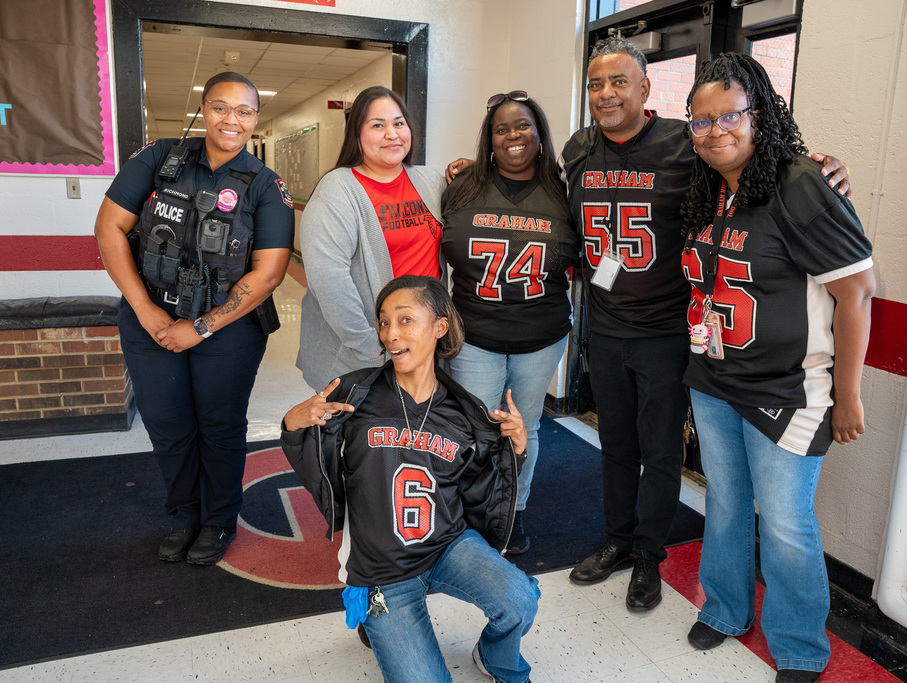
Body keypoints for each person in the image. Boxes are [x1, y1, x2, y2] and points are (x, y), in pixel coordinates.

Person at [558, 36, 851, 613]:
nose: (608, 92)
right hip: (607, 322)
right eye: (596, 83)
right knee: (613, 443)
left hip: (671, 332)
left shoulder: (684, 143)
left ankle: (649, 552)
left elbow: (749, 161)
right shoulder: (577, 149)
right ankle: (618, 539)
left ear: (647, 88)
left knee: (661, 449)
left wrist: (818, 162)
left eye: (621, 81)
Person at [678, 54, 874, 683]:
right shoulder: (707, 187)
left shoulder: (800, 183)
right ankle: (728, 608)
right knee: (728, 504)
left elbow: (858, 292)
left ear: (759, 115)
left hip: (793, 390)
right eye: (700, 121)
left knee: (787, 522)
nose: (714, 131)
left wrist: (849, 395)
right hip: (714, 381)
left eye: (729, 115)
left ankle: (799, 646)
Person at [281, 275, 540, 683]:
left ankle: (497, 659)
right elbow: (319, 465)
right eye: (384, 322)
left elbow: (481, 488)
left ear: (439, 327)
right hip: (384, 568)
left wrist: (515, 450)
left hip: (447, 545)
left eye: (405, 320)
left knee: (519, 598)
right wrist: (293, 425)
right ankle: (377, 620)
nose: (390, 334)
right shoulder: (354, 394)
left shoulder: (464, 411)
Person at [94, 72, 295, 564]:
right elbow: (109, 228)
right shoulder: (159, 158)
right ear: (203, 109)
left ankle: (219, 520)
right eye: (221, 108)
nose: (232, 120)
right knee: (167, 423)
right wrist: (144, 310)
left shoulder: (266, 185)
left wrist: (200, 327)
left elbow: (268, 274)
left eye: (245, 111)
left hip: (228, 330)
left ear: (255, 118)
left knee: (220, 426)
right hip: (150, 319)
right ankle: (185, 514)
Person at [441, 91, 579, 554]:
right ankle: (477, 511)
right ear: (489, 139)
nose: (513, 136)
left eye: (523, 126)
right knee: (478, 426)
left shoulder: (563, 191)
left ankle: (513, 511)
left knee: (525, 426)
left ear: (539, 135)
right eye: (502, 129)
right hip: (474, 334)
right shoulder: (460, 187)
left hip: (539, 336)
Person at [297, 86, 447, 391]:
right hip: (363, 355)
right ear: (357, 135)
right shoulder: (337, 190)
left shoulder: (431, 182)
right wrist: (372, 347)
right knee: (361, 436)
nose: (392, 134)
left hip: (422, 346)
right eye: (378, 125)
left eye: (399, 123)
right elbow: (329, 279)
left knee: (415, 434)